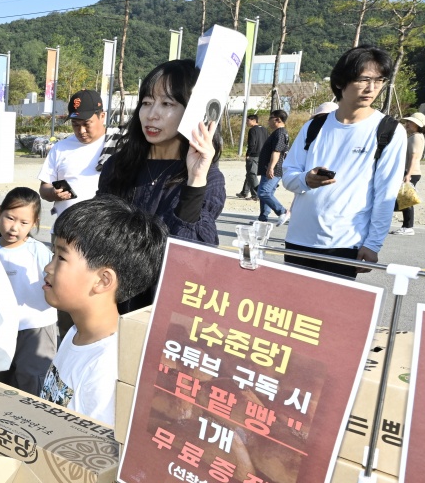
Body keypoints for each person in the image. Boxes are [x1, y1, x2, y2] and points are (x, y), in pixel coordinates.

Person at [96, 59, 223, 312]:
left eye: (167, 103)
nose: (151, 114)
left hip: (163, 311)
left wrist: (195, 181)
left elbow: (191, 261)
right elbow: (97, 236)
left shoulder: (208, 179)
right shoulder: (118, 167)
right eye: (146, 102)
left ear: (193, 112)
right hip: (107, 304)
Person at [40, 196, 167, 426]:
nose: (48, 267)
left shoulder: (107, 369)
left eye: (61, 257)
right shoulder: (76, 334)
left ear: (102, 280)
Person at [281, 46, 406, 278]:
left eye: (379, 80)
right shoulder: (315, 126)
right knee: (296, 312)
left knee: (331, 312)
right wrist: (306, 179)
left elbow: (385, 194)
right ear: (340, 82)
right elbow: (288, 176)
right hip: (298, 237)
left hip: (345, 243)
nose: (372, 88)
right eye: (364, 79)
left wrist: (373, 243)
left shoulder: (388, 131)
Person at [0, 188, 59, 395]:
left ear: (34, 223)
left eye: (24, 223)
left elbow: (58, 282)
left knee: (33, 380)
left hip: (36, 328)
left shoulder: (39, 252)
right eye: (10, 218)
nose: (14, 228)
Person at [37, 90, 110, 217]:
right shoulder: (60, 147)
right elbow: (44, 188)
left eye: (87, 124)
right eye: (75, 124)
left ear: (102, 116)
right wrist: (54, 193)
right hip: (64, 231)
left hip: (103, 231)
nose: (81, 130)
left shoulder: (118, 144)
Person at [393, 112, 425, 235]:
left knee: (406, 198)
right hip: (411, 171)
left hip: (411, 171)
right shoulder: (416, 136)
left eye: (410, 122)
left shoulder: (416, 137)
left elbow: (414, 156)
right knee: (405, 198)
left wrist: (408, 174)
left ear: (417, 125)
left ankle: (408, 227)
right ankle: (407, 226)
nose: (407, 124)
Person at [256, 110, 290, 225]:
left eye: (270, 118)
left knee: (263, 192)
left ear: (277, 119)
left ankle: (283, 211)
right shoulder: (278, 132)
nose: (268, 121)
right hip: (271, 168)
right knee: (267, 193)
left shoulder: (280, 133)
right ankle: (262, 219)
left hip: (274, 169)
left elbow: (277, 151)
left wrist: (270, 167)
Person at [238, 112, 265, 199]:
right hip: (262, 155)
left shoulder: (252, 130)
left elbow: (251, 143)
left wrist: (248, 153)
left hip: (253, 155)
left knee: (252, 174)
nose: (246, 122)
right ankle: (244, 192)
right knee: (250, 174)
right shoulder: (264, 129)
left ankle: (256, 194)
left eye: (248, 120)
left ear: (253, 120)